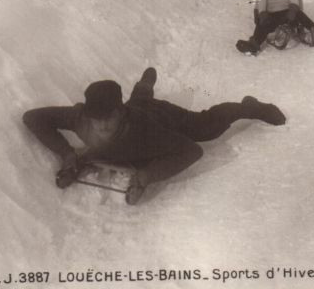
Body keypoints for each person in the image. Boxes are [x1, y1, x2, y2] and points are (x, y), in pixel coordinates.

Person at [22, 68, 286, 205]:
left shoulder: (146, 132)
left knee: (207, 127)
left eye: (108, 119)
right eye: (96, 119)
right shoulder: (80, 118)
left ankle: (247, 107)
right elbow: (33, 117)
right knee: (140, 98)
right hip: (135, 107)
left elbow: (192, 151)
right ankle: (145, 83)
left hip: (162, 117)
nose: (100, 127)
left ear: (120, 114)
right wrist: (67, 153)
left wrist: (147, 176)